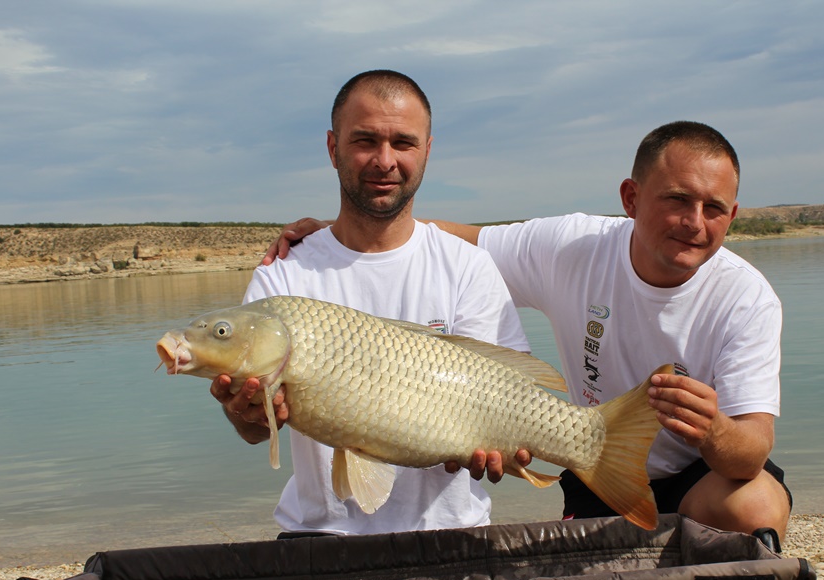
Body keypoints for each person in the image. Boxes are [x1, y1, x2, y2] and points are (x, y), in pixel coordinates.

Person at [265, 120, 792, 544]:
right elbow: (463, 240)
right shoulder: (571, 246)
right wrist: (340, 235)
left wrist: (713, 428)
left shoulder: (746, 297)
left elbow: (749, 452)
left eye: (714, 209)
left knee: (757, 505)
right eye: (677, 200)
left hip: (699, 475)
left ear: (733, 215)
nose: (694, 222)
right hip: (595, 476)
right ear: (631, 198)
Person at [213, 69, 530, 536]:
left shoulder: (468, 267)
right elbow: (253, 431)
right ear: (332, 147)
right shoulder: (283, 273)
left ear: (426, 150)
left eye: (403, 142)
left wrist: (511, 449)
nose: (385, 161)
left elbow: (509, 398)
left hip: (450, 531)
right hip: (317, 538)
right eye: (365, 141)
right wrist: (245, 414)